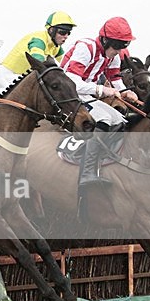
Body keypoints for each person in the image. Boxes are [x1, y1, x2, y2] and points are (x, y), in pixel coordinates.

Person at [59, 16, 142, 189]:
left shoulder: (114, 56)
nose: (120, 51)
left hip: (85, 94)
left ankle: (103, 158)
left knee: (120, 120)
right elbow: (72, 81)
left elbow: (115, 80)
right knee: (104, 118)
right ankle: (87, 172)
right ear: (105, 40)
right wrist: (102, 90)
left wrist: (126, 92)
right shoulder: (86, 48)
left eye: (124, 46)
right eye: (118, 46)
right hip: (67, 93)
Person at [0, 11, 76, 88]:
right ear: (51, 30)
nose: (66, 36)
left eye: (68, 33)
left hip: (23, 77)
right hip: (8, 75)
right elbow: (39, 62)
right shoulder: (39, 40)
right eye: (62, 32)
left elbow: (67, 65)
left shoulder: (56, 47)